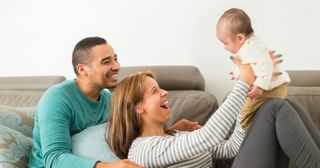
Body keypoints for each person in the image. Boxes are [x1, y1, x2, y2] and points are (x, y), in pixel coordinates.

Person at [107, 58, 320, 167]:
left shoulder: (176, 136)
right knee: (275, 108)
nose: (164, 92)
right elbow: (210, 135)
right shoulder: (143, 150)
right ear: (138, 107)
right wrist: (243, 83)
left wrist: (247, 106)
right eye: (155, 91)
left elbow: (231, 148)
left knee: (283, 105)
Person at [28, 37, 199, 168]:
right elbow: (53, 158)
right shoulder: (57, 99)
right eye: (106, 62)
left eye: (115, 59)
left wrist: (173, 131)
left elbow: (133, 137)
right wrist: (108, 167)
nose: (116, 66)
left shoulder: (109, 99)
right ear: (82, 69)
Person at [216, 8, 291, 128]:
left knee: (245, 112)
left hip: (272, 88)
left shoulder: (253, 47)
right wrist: (237, 73)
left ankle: (248, 133)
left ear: (240, 38)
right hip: (271, 88)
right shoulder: (248, 45)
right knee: (249, 111)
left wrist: (260, 85)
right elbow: (250, 66)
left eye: (226, 43)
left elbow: (265, 65)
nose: (224, 48)